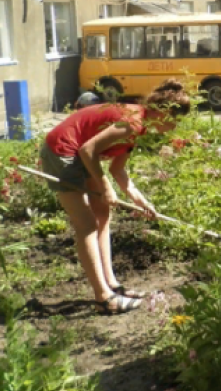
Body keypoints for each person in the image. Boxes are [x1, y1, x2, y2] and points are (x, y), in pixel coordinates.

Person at [41, 80, 190, 315]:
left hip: (82, 153)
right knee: (87, 225)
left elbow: (117, 170)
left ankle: (112, 284)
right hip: (62, 151)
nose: (175, 127)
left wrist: (141, 201)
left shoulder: (138, 127)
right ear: (164, 112)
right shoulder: (132, 121)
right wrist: (105, 187)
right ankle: (104, 298)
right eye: (176, 120)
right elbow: (87, 150)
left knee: (102, 215)